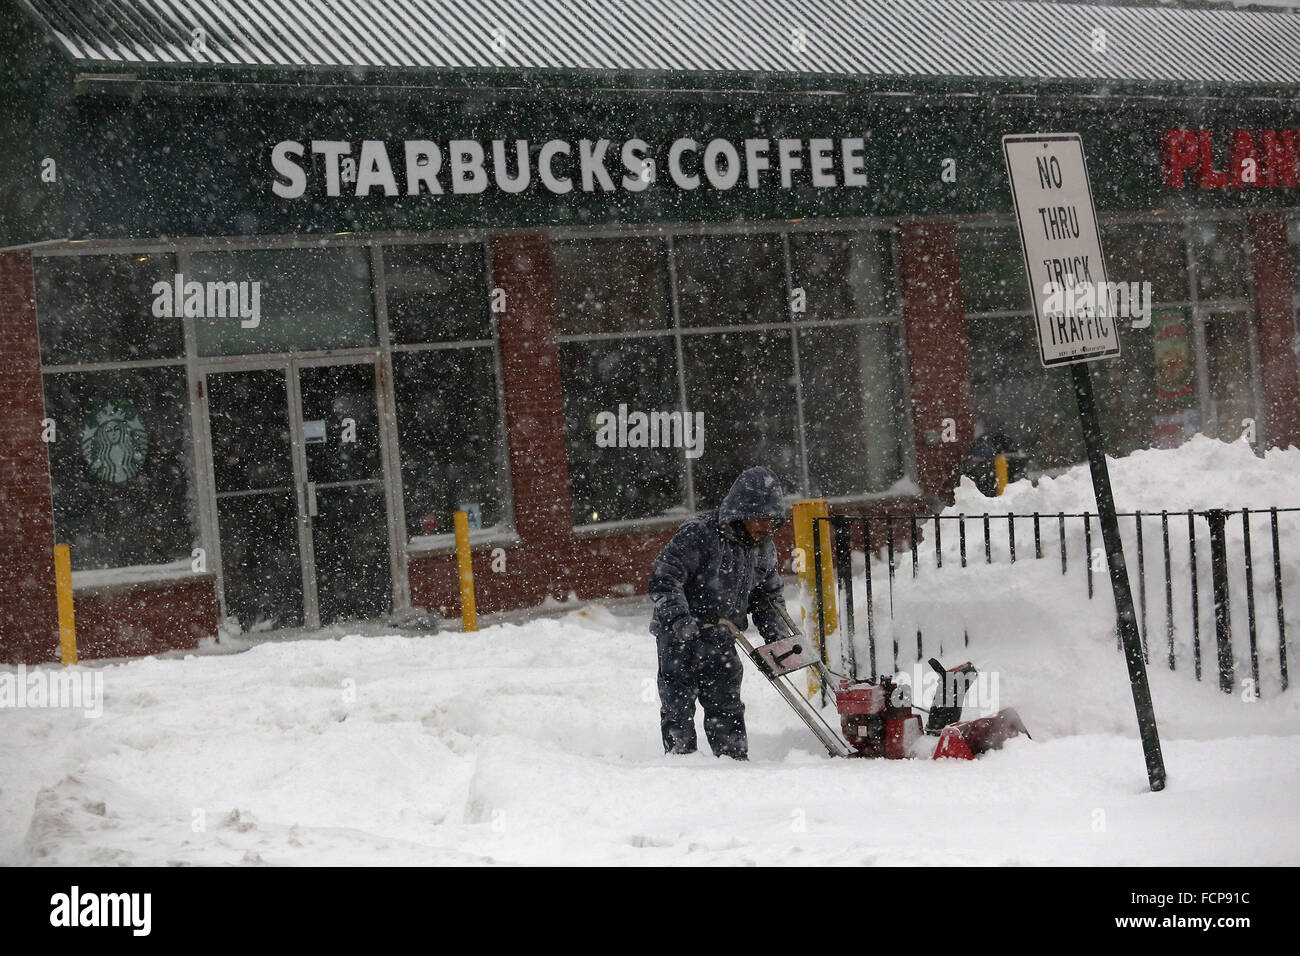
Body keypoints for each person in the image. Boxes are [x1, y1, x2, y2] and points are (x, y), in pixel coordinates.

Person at [648, 465, 792, 760]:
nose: (766, 526)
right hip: (680, 636)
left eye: (772, 519)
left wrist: (778, 638)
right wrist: (679, 619)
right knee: (679, 705)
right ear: (741, 513)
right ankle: (682, 763)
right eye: (760, 517)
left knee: (726, 705)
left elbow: (767, 596)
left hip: (723, 634)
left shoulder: (764, 547)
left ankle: (733, 763)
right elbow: (664, 578)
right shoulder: (700, 533)